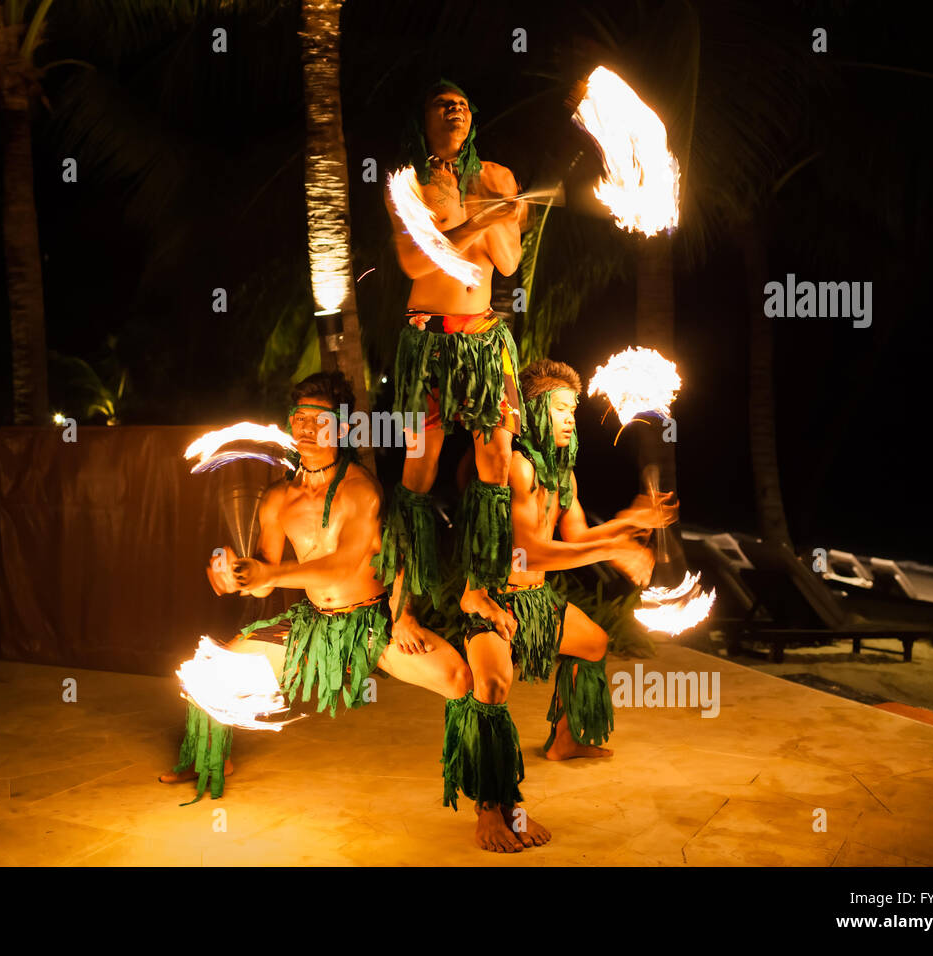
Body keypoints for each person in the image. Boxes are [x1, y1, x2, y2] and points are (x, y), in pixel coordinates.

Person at [161, 371, 473, 801]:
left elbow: (343, 566)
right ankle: (211, 759)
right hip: (315, 624)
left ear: (342, 428)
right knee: (210, 672)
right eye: (300, 418)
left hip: (374, 622)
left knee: (459, 679)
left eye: (319, 419)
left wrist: (404, 615)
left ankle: (485, 794)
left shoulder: (360, 489)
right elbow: (265, 581)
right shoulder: (277, 498)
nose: (307, 428)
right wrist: (237, 575)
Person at [443, 359, 678, 851]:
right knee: (490, 686)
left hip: (537, 601)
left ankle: (564, 740)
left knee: (592, 642)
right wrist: (613, 548)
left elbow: (576, 537)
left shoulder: (561, 473)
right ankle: (491, 810)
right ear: (530, 413)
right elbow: (530, 552)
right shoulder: (520, 468)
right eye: (560, 409)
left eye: (573, 409)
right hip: (494, 601)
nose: (571, 418)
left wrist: (624, 523)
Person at [375, 78, 529, 646]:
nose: (457, 110)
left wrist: (485, 218)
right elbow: (417, 263)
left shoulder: (498, 177)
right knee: (419, 473)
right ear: (424, 119)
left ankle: (479, 585)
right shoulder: (407, 184)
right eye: (444, 104)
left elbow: (509, 264)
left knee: (495, 465)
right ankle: (404, 605)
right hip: (428, 342)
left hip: (485, 340)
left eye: (464, 103)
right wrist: (482, 222)